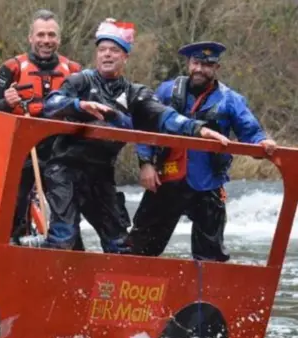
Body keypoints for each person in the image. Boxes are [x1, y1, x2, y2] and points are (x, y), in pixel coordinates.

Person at [32, 18, 230, 252]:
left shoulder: (136, 93)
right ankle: (39, 272)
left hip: (101, 173)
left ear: (125, 56)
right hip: (65, 168)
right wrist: (79, 106)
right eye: (102, 50)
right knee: (65, 236)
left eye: (114, 50)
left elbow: (165, 115)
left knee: (119, 244)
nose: (107, 55)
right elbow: (51, 104)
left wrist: (199, 129)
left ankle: (116, 285)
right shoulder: (81, 80)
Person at [126, 41, 277, 262]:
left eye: (207, 65)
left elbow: (251, 131)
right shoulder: (166, 91)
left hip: (208, 182)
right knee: (139, 246)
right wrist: (146, 163)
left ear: (217, 68)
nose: (199, 69)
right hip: (166, 178)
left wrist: (263, 142)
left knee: (211, 255)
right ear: (188, 64)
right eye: (196, 63)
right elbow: (146, 124)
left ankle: (206, 293)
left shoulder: (231, 100)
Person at [0, 9, 82, 244]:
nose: (46, 41)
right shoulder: (12, 68)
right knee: (13, 207)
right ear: (30, 37)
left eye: (51, 35)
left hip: (61, 151)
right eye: (41, 35)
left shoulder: (75, 71)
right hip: (23, 151)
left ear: (59, 38)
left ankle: (70, 257)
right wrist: (6, 102)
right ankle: (9, 248)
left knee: (67, 213)